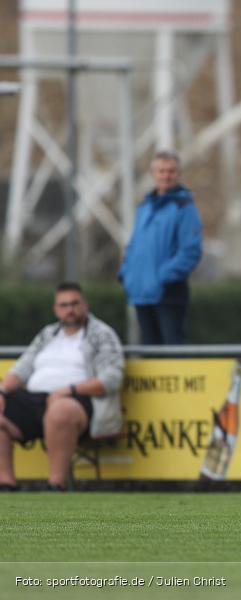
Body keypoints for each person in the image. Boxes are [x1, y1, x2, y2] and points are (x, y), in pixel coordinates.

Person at [0, 283, 124, 491]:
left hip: (79, 401)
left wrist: (69, 390)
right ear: (55, 309)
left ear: (85, 305)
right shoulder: (47, 334)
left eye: (75, 303)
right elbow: (22, 368)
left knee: (60, 410)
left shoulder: (101, 334)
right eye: (64, 305)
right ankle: (6, 484)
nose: (70, 309)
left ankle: (56, 484)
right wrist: (2, 391)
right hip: (36, 399)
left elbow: (112, 378)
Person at [119, 150, 203, 345]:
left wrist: (162, 278)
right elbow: (134, 245)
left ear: (178, 174)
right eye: (161, 171)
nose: (166, 175)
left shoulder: (184, 207)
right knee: (149, 353)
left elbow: (190, 251)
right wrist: (127, 274)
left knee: (172, 352)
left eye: (171, 171)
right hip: (141, 293)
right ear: (153, 174)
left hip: (167, 293)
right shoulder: (144, 208)